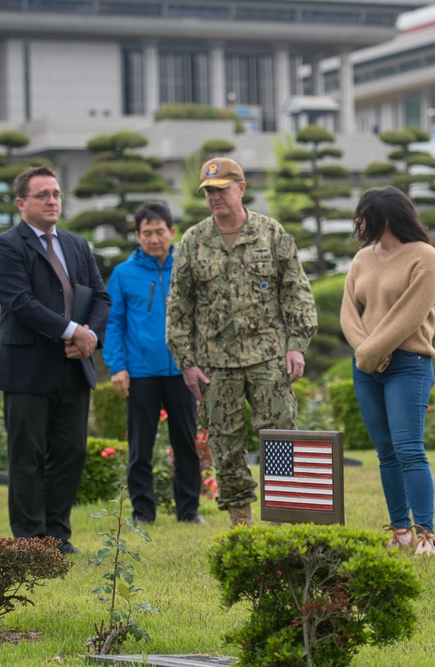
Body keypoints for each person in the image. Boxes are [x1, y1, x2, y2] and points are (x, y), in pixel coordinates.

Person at [166, 157, 317, 528]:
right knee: (225, 446)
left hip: (268, 359)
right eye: (208, 192)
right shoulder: (193, 241)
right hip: (215, 364)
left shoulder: (271, 233)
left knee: (279, 439)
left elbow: (297, 292)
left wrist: (297, 343)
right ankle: (241, 527)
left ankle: (281, 523)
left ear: (241, 188)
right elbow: (178, 306)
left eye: (221, 190)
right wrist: (186, 362)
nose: (214, 198)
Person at [0, 165, 111, 554]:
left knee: (70, 454)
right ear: (21, 203)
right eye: (43, 195)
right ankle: (29, 541)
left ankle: (57, 537)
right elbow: (20, 303)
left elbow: (102, 298)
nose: (52, 201)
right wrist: (72, 330)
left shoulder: (76, 244)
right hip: (26, 369)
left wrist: (89, 337)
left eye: (56, 194)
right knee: (27, 457)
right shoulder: (6, 246)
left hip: (74, 367)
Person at [340, 187, 435, 556]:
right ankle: (399, 530)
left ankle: (425, 534)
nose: (358, 223)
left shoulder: (424, 256)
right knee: (385, 451)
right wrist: (366, 353)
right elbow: (348, 312)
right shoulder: (362, 259)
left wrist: (374, 350)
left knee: (409, 449)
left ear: (384, 218)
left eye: (363, 216)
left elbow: (411, 313)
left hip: (407, 365)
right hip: (366, 366)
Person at [104, 202, 204, 526]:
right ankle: (143, 512)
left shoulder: (186, 266)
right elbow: (113, 324)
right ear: (137, 236)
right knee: (140, 448)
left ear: (172, 232)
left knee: (186, 444)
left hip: (182, 371)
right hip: (140, 373)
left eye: (160, 231)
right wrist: (117, 367)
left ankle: (188, 510)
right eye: (146, 233)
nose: (154, 238)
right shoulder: (123, 274)